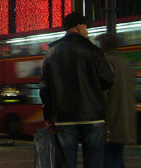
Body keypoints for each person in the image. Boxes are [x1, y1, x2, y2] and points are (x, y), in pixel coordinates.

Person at [40, 12, 114, 168]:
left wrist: (48, 114)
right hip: (93, 115)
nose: (87, 31)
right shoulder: (94, 50)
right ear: (79, 27)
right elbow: (108, 79)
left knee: (66, 162)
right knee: (94, 161)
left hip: (64, 116)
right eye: (86, 27)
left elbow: (45, 87)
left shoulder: (51, 52)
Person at [95, 33, 137, 168]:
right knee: (117, 155)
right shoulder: (126, 63)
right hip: (125, 119)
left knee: (107, 157)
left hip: (110, 120)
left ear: (103, 46)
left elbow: (102, 94)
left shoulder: (106, 62)